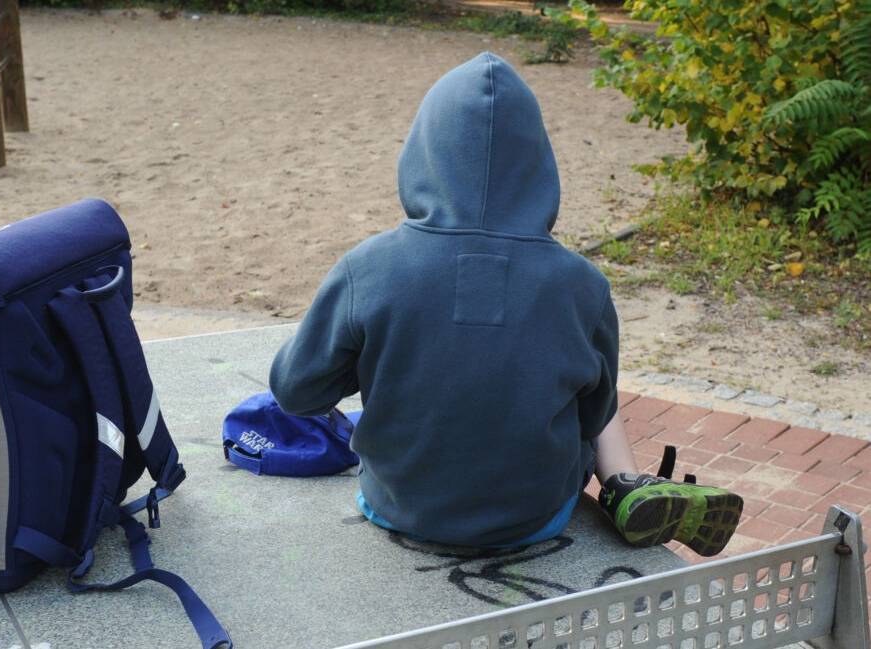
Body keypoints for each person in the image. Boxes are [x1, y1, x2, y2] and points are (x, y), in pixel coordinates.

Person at [268, 52, 742, 555]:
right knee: (591, 386)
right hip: (537, 517)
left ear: (423, 152)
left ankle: (624, 483)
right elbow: (594, 412)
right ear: (538, 162)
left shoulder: (368, 268)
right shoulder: (582, 284)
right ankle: (625, 480)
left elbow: (297, 393)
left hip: (400, 506)